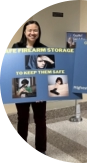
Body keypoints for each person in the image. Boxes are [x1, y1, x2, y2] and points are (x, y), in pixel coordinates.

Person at [12, 20, 47, 156]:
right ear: (25, 32)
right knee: (22, 118)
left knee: (40, 119)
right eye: (30, 30)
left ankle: (41, 149)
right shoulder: (16, 47)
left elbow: (46, 73)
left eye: (35, 30)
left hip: (39, 90)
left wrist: (43, 93)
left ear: (39, 32)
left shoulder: (44, 49)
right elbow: (12, 69)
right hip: (21, 88)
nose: (33, 33)